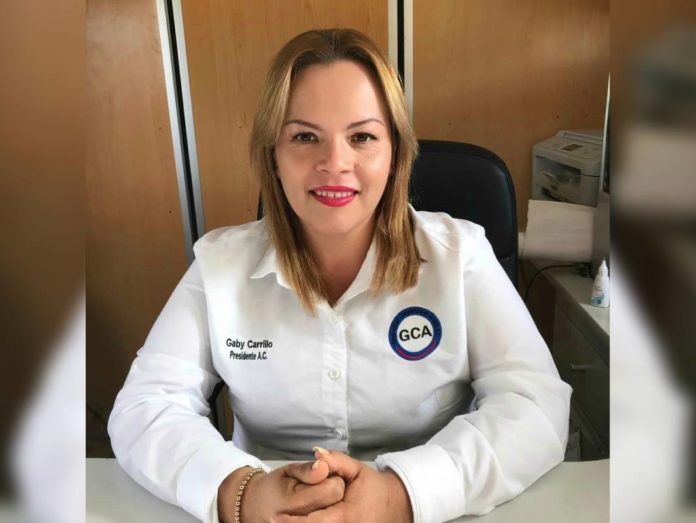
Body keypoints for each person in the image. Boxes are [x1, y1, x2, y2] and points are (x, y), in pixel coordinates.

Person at [108, 28, 572, 523]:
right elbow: (145, 406)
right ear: (274, 155)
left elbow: (534, 405)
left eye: (362, 137)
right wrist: (241, 494)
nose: (335, 163)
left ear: (395, 153)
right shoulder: (220, 266)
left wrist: (399, 495)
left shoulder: (460, 256)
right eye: (305, 137)